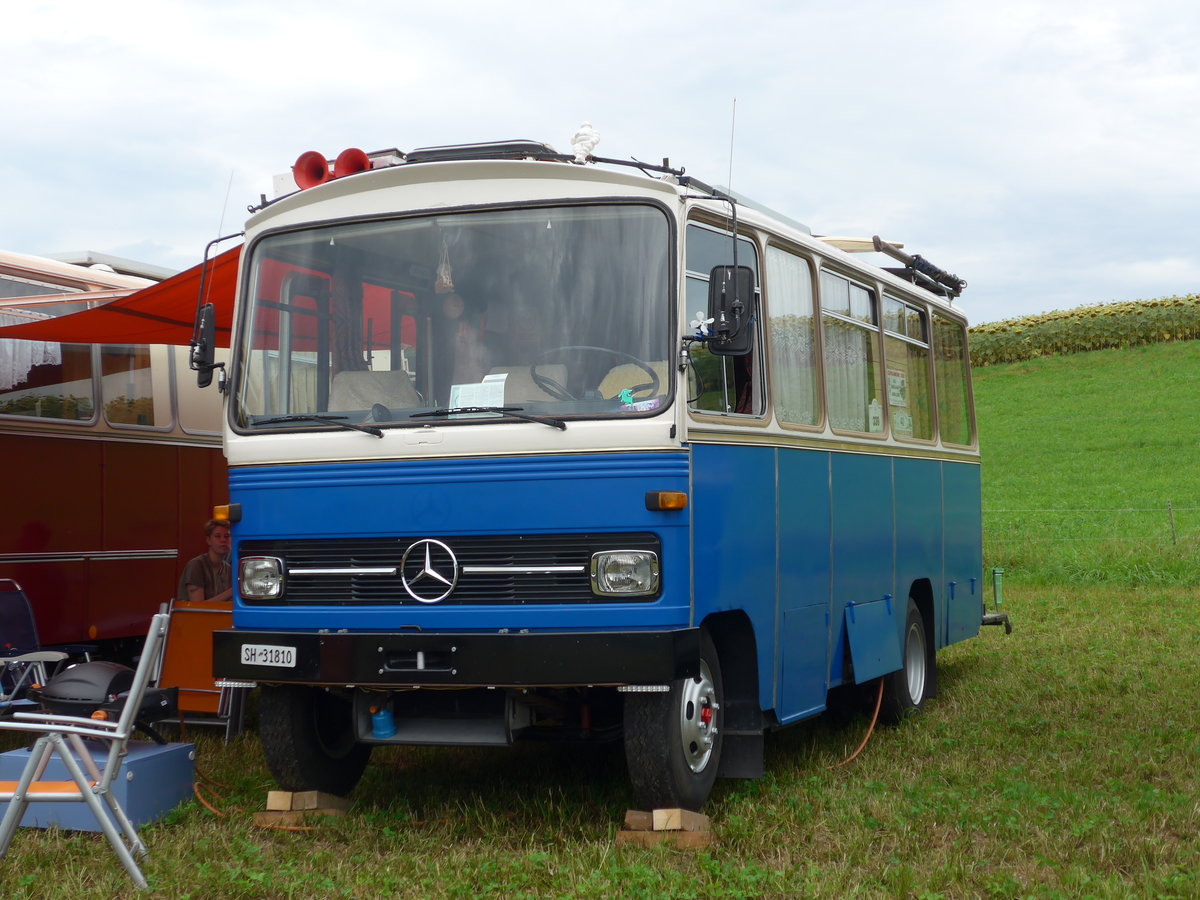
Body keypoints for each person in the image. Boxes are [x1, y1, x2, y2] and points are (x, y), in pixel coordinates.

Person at [177, 518, 232, 604]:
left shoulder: (228, 568)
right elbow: (198, 606)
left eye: (227, 536)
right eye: (217, 536)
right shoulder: (196, 565)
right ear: (208, 540)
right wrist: (232, 591)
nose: (223, 540)